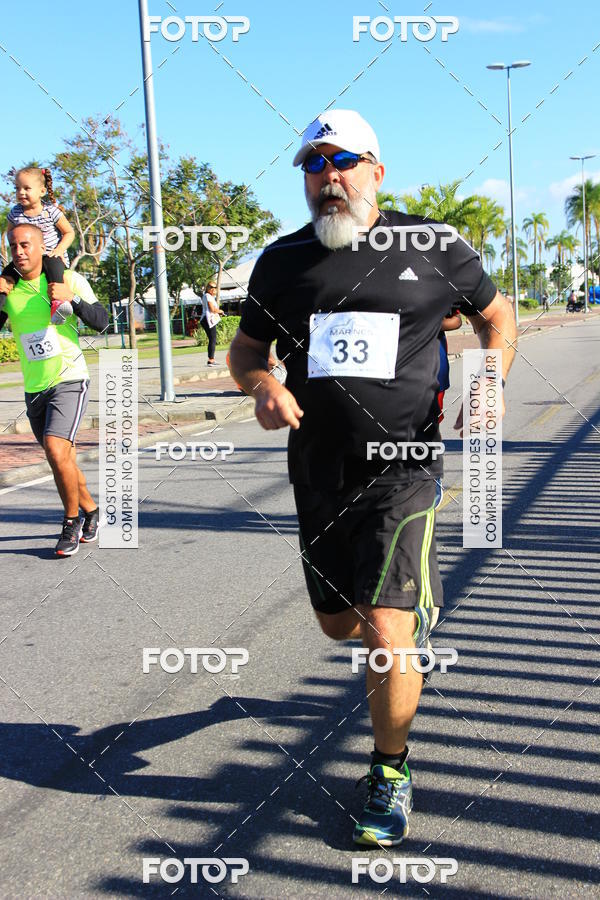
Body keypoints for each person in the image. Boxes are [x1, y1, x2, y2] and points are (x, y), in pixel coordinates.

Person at [230, 109, 517, 846]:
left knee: (387, 636)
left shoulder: (433, 245)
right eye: (314, 166)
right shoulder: (282, 261)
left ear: (377, 171)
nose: (329, 178)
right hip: (318, 473)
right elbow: (245, 351)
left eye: (344, 162)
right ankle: (396, 619)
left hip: (406, 472)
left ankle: (390, 768)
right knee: (339, 625)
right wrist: (263, 384)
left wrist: (491, 381)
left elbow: (497, 316)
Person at [0, 224, 109, 556]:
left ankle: (70, 522)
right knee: (63, 459)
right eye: (13, 246)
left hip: (70, 379)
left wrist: (72, 300)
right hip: (34, 388)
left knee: (54, 448)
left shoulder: (66, 280)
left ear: (41, 246)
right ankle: (91, 510)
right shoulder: (8, 289)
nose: (19, 251)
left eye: (25, 245)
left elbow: (102, 320)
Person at [0, 167, 75, 313]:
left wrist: (59, 250)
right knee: (6, 275)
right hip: (27, 261)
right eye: (17, 188)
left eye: (26, 188)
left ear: (42, 191)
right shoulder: (15, 212)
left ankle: (58, 305)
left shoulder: (50, 211)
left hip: (50, 256)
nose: (21, 192)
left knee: (53, 267)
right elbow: (10, 234)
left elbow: (69, 232)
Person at [434, 307, 462, 508]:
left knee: (429, 425)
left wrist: (423, 320)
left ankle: (432, 480)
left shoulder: (440, 277)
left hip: (432, 366)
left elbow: (456, 320)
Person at [199, 280, 225, 366]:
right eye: (211, 287)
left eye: (215, 287)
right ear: (208, 288)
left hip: (208, 319)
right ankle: (211, 360)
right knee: (213, 339)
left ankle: (211, 359)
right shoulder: (207, 296)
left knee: (212, 339)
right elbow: (212, 309)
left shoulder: (209, 297)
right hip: (207, 320)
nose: (213, 289)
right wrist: (220, 311)